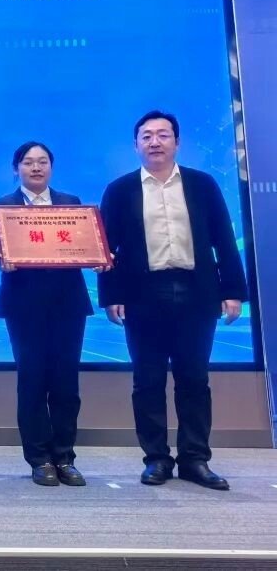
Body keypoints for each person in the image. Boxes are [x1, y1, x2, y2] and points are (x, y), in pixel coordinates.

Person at [98, 110, 247, 490]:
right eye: (146, 136)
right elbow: (105, 248)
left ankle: (195, 459)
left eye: (163, 135)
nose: (155, 142)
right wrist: (111, 295)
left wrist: (233, 290)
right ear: (136, 145)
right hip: (142, 295)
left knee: (194, 379)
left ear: (177, 142)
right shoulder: (119, 190)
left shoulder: (202, 184)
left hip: (197, 293)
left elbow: (223, 239)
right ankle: (156, 459)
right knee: (147, 381)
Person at [0, 142, 95, 487]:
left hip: (67, 304)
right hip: (24, 305)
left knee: (66, 384)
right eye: (28, 162)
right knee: (32, 381)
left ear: (51, 167)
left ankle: (65, 457)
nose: (35, 167)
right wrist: (1, 260)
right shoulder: (3, 206)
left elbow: (84, 243)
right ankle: (39, 459)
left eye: (42, 161)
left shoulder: (71, 203)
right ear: (16, 168)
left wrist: (95, 254)